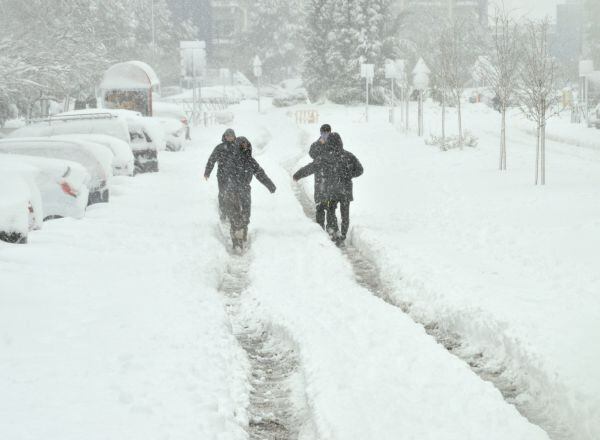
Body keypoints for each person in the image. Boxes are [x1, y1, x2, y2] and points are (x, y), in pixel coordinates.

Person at [293, 132, 363, 244]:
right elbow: (360, 170)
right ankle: (343, 235)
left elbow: (311, 167)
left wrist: (298, 175)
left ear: (328, 143)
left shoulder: (324, 157)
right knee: (345, 214)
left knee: (331, 211)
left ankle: (333, 231)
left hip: (331, 190)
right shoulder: (348, 156)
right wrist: (349, 175)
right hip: (345, 190)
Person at [221, 136, 276, 249]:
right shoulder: (232, 160)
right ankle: (235, 239)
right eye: (242, 145)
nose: (245, 147)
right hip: (232, 191)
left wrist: (270, 185)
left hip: (245, 190)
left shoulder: (250, 161)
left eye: (246, 145)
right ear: (237, 146)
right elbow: (225, 175)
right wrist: (227, 189)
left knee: (246, 215)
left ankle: (243, 232)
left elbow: (260, 173)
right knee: (235, 216)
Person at [203, 128, 237, 220]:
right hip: (222, 175)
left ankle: (233, 212)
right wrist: (207, 172)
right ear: (225, 137)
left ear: (234, 137)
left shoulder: (238, 147)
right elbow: (212, 160)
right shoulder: (220, 147)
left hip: (235, 175)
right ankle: (223, 211)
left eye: (231, 136)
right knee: (222, 193)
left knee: (234, 193)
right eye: (228, 136)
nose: (229, 138)